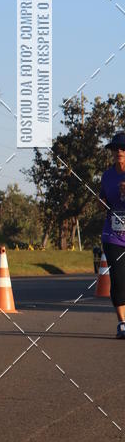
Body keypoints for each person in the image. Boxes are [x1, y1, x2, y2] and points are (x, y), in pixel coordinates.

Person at [100, 131, 125, 338]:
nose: (119, 151)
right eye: (116, 148)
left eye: (123, 148)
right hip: (113, 235)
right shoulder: (107, 176)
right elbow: (103, 201)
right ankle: (122, 323)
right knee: (118, 279)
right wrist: (101, 203)